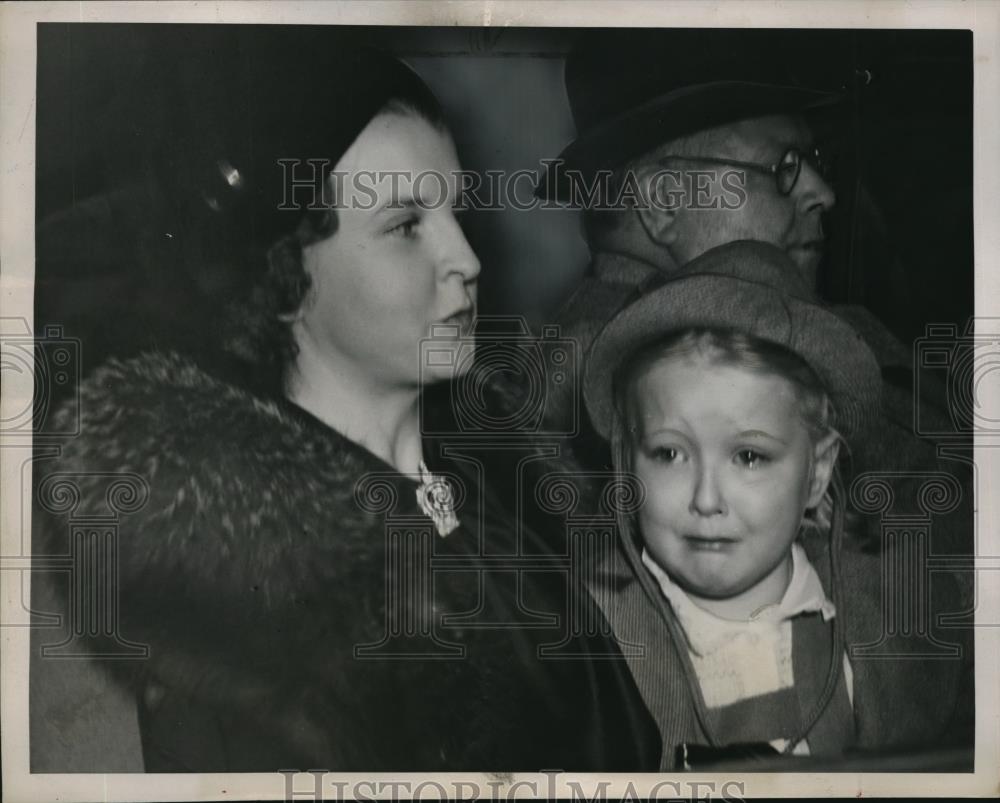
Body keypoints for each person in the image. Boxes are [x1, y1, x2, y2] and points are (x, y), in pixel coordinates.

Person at [30, 26, 660, 772]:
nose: (465, 258)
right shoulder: (249, 593)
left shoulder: (492, 493)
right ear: (285, 276)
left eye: (455, 211)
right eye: (404, 226)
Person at [536, 28, 973, 567]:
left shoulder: (760, 328)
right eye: (785, 166)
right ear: (665, 202)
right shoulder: (623, 386)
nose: (822, 192)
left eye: (814, 160)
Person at [580, 240, 973, 771]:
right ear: (629, 464)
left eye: (749, 457)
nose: (706, 499)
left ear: (817, 473)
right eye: (669, 453)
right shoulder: (593, 638)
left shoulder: (895, 621)